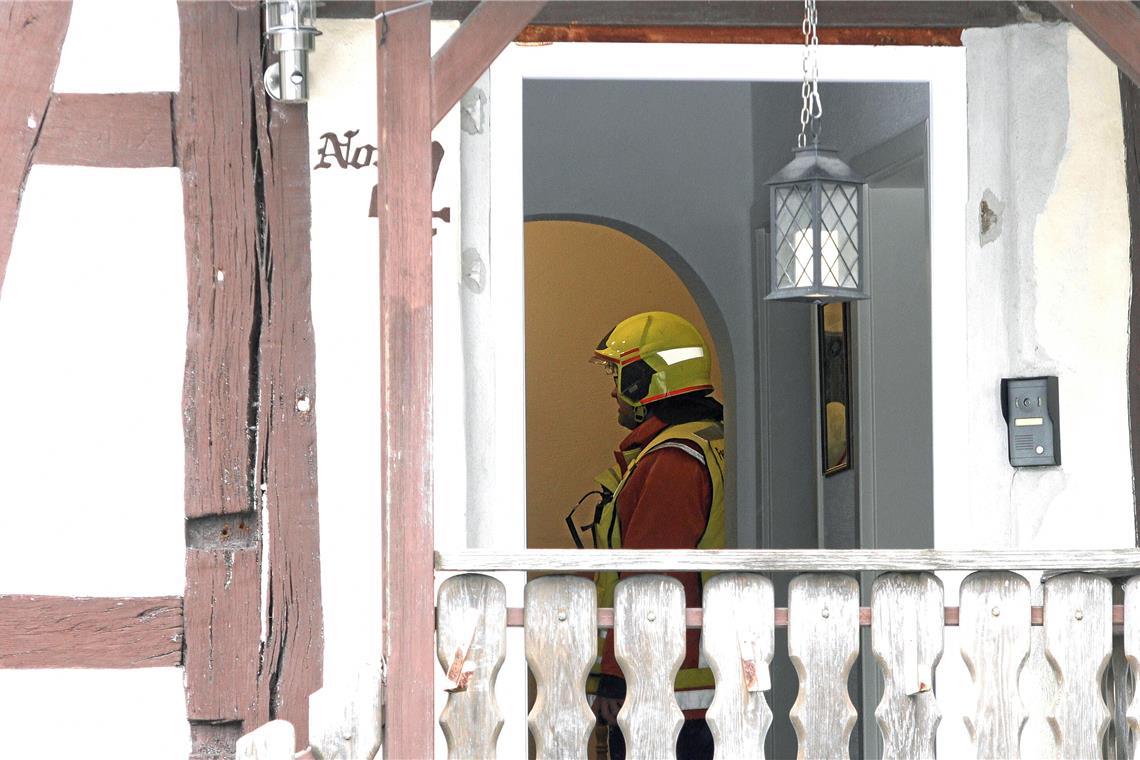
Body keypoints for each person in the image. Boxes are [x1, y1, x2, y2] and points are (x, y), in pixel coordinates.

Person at [581, 311, 725, 760]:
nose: (614, 391)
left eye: (620, 375)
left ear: (646, 380)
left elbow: (650, 582)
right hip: (706, 687)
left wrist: (614, 676)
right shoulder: (714, 441)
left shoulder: (673, 461)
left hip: (667, 693)